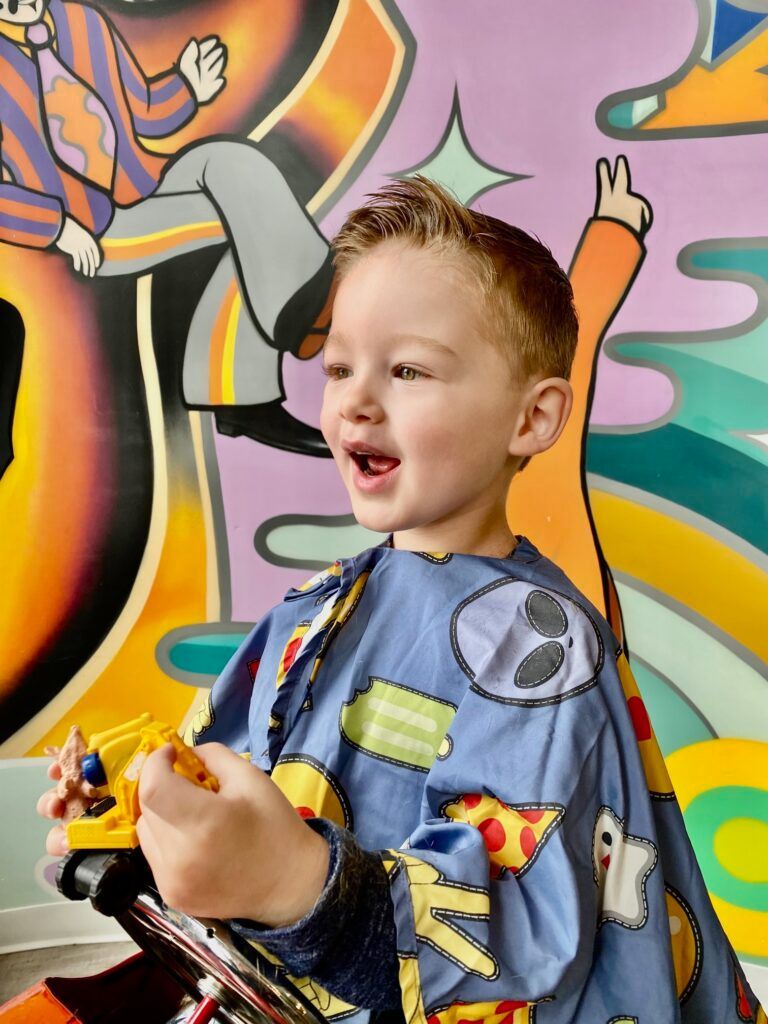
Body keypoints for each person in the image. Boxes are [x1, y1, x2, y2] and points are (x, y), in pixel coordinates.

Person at [39, 176, 764, 1024]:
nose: (355, 399)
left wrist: (293, 884)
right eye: (339, 365)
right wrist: (126, 814)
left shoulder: (539, 648)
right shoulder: (312, 611)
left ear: (531, 420)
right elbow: (216, 781)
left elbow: (519, 940)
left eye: (408, 369)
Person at [0, 0, 332, 455]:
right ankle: (281, 344)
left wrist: (187, 87)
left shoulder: (83, 22)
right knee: (249, 222)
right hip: (97, 228)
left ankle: (291, 325)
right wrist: (58, 227)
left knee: (236, 163)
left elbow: (143, 110)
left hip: (143, 183)